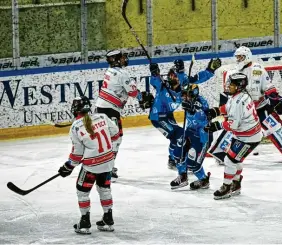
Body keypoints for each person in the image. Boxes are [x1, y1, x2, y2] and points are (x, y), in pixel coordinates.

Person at [225, 46, 282, 163]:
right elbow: (227, 92)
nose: (238, 60)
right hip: (242, 110)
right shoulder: (232, 72)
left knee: (275, 127)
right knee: (232, 128)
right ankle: (222, 154)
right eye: (237, 57)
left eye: (240, 57)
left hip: (260, 106)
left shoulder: (259, 69)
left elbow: (268, 87)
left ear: (247, 57)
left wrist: (275, 98)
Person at [58, 96, 120, 234]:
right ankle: (108, 219)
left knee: (82, 191)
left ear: (75, 109)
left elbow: (77, 155)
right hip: (108, 162)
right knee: (105, 189)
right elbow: (116, 133)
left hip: (92, 166)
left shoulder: (75, 127)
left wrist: (68, 166)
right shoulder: (102, 117)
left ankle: (85, 222)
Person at [148, 58, 221, 169]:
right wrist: (154, 73)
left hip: (168, 115)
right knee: (179, 135)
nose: (173, 77)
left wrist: (210, 70)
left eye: (176, 75)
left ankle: (173, 159)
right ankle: (174, 159)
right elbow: (154, 81)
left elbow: (197, 78)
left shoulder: (183, 85)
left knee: (178, 137)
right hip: (157, 116)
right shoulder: (163, 85)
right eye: (171, 75)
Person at [205, 73, 262, 200]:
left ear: (239, 86)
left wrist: (216, 126)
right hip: (247, 135)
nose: (228, 86)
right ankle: (236, 184)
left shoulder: (239, 101)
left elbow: (233, 125)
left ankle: (227, 186)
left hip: (249, 137)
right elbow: (228, 107)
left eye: (231, 84)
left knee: (230, 160)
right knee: (236, 159)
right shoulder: (240, 96)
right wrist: (216, 111)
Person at [95, 50, 149, 181]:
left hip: (103, 107)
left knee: (109, 139)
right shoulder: (122, 74)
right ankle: (107, 168)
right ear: (117, 60)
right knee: (116, 139)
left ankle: (105, 166)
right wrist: (142, 97)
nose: (125, 59)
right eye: (122, 57)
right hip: (110, 110)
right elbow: (132, 92)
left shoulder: (110, 71)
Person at [170, 84, 211, 190]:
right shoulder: (186, 100)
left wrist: (193, 112)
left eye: (186, 95)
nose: (183, 97)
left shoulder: (202, 102)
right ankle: (182, 177)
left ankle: (203, 180)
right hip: (189, 132)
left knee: (192, 164)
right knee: (177, 153)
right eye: (183, 95)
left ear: (193, 94)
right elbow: (174, 98)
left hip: (202, 136)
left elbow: (204, 118)